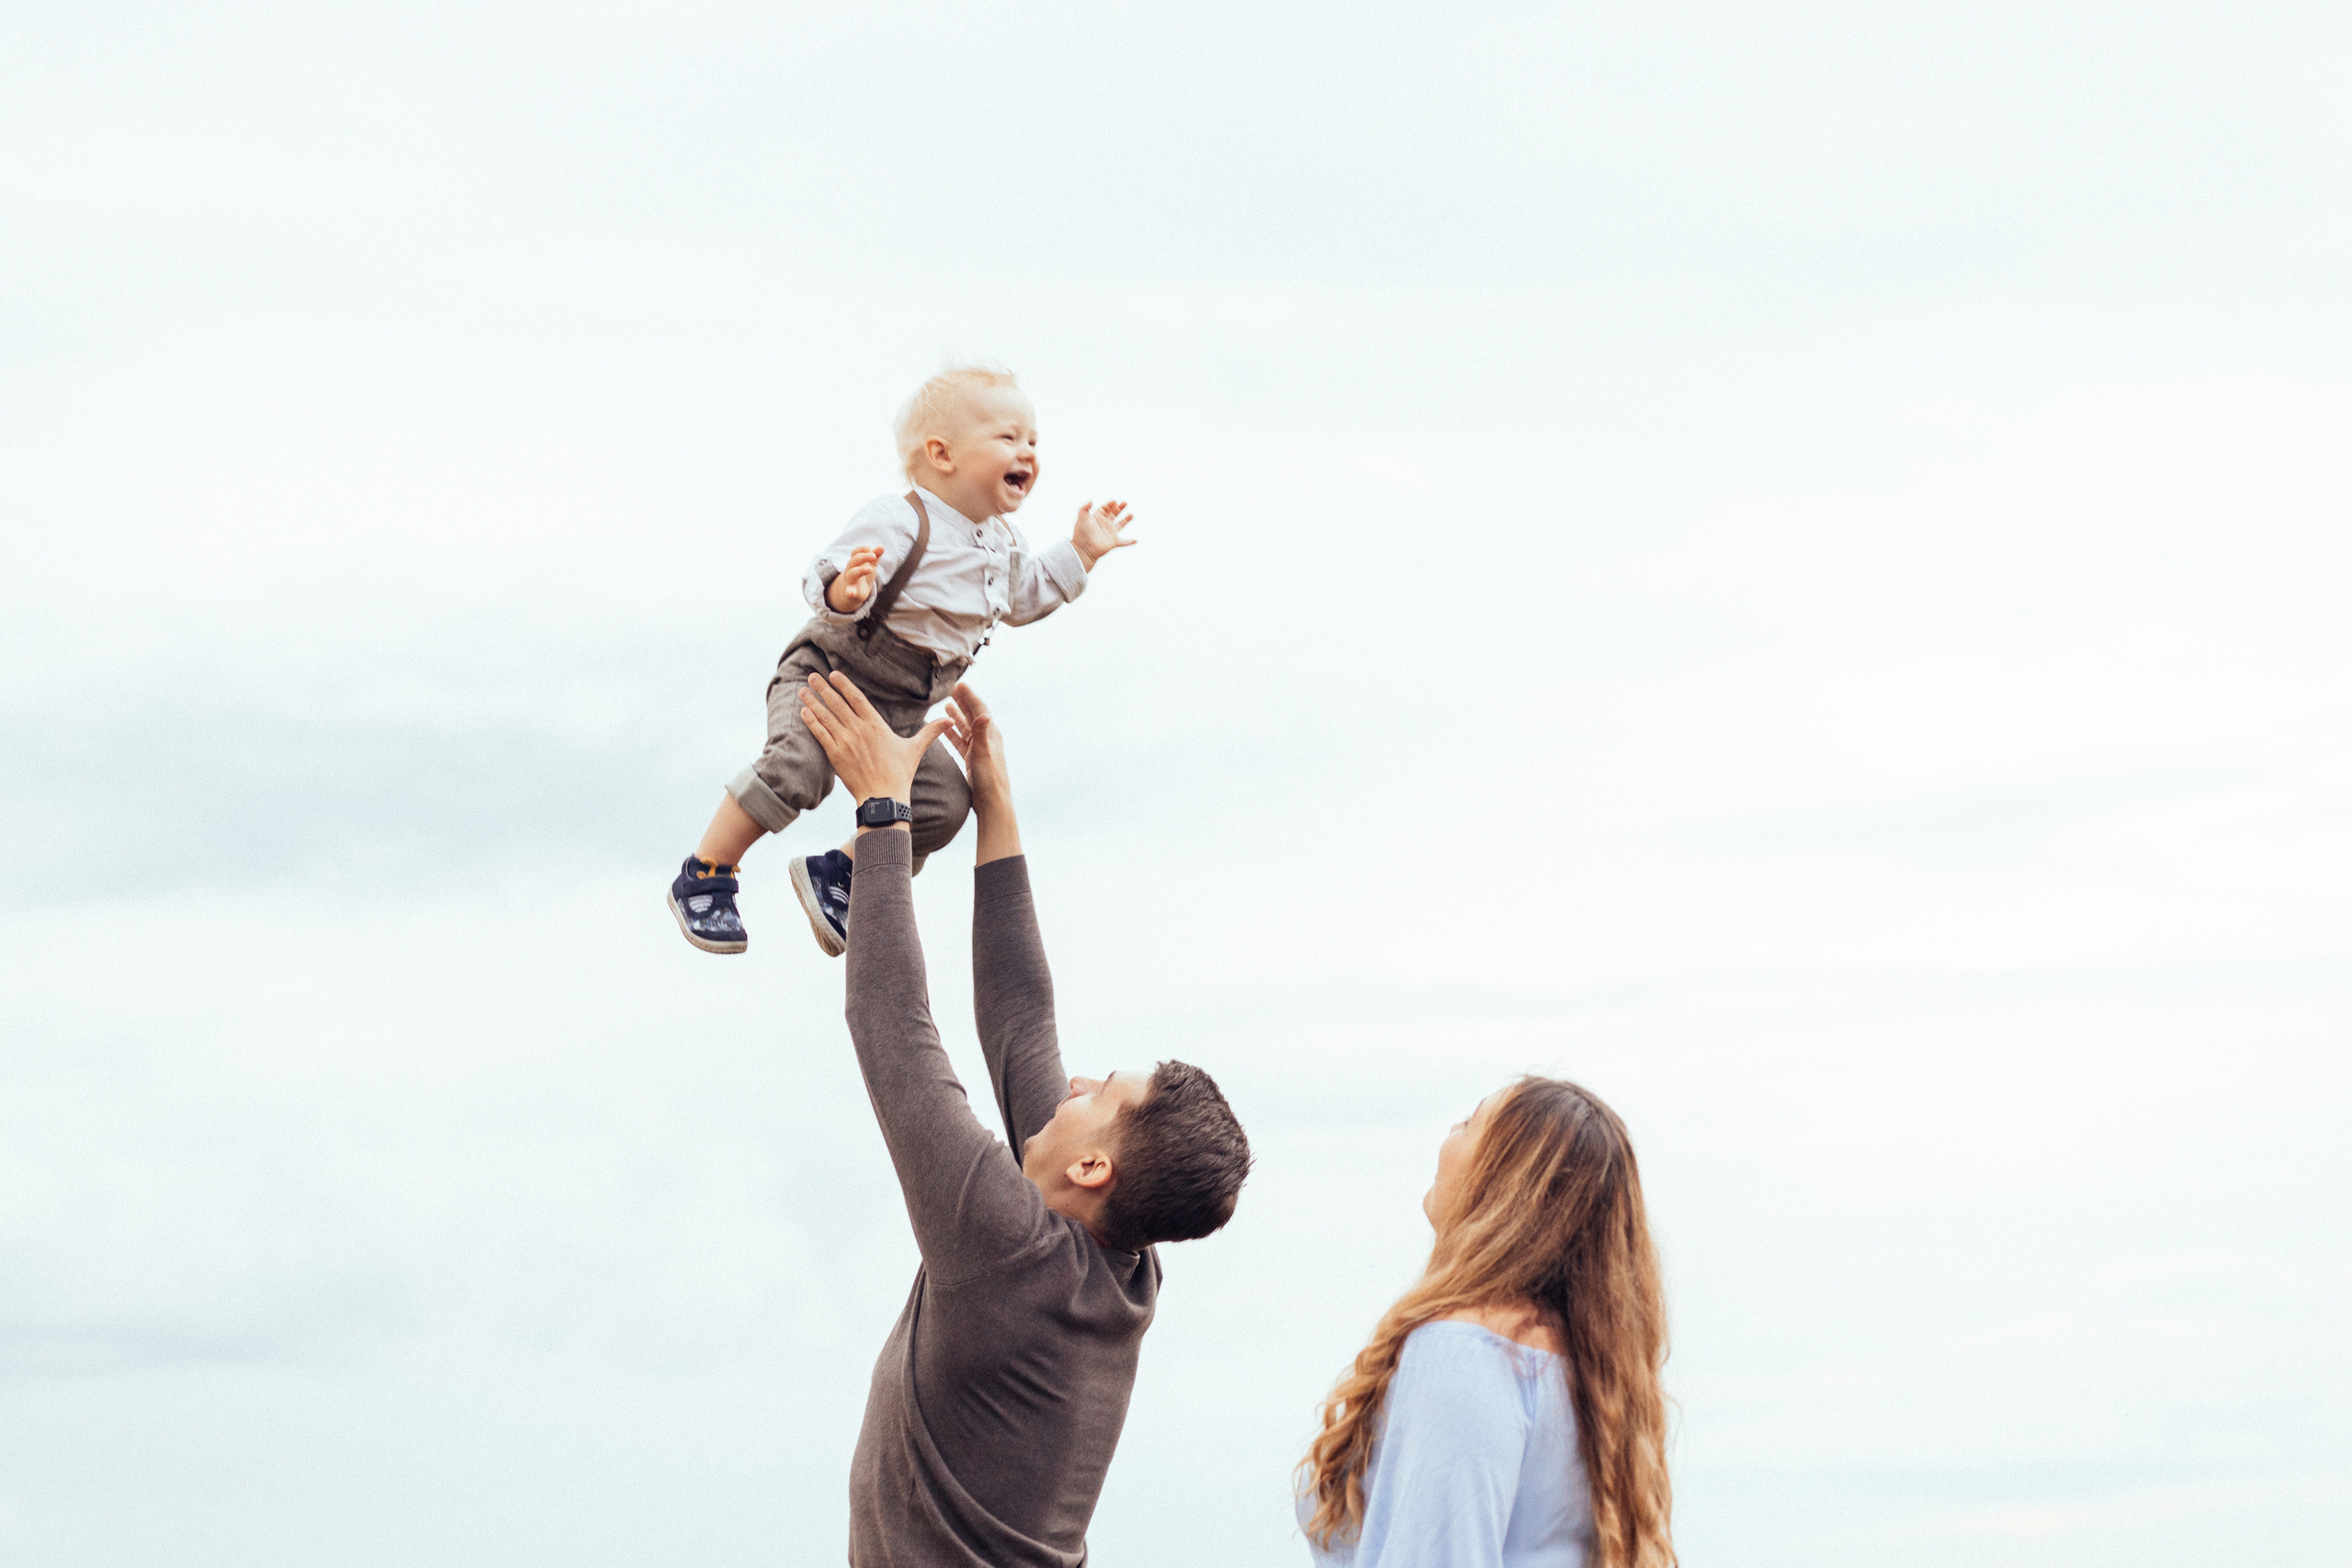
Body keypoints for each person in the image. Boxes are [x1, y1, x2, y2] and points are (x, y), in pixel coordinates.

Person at [792, 668, 1253, 1567]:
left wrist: (883, 815)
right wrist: (996, 805)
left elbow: (892, 1026)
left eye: (1099, 1093)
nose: (1073, 1085)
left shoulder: (1011, 1251)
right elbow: (1019, 1014)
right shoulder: (1110, 1257)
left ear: (1093, 1169)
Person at [666, 364, 1138, 957]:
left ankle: (837, 873)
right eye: (1008, 437)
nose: (1028, 451)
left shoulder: (1003, 545)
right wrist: (848, 591)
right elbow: (824, 575)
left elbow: (1024, 598)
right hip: (831, 675)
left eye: (1033, 440)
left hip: (905, 708)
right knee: (798, 765)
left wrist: (1082, 553)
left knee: (945, 802)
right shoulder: (902, 519)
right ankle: (708, 871)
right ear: (942, 454)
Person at [1297, 1077, 1674, 1568]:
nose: (1449, 1134)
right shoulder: (1590, 1372)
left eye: (1468, 1123)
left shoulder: (1466, 1351)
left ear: (1504, 1179)